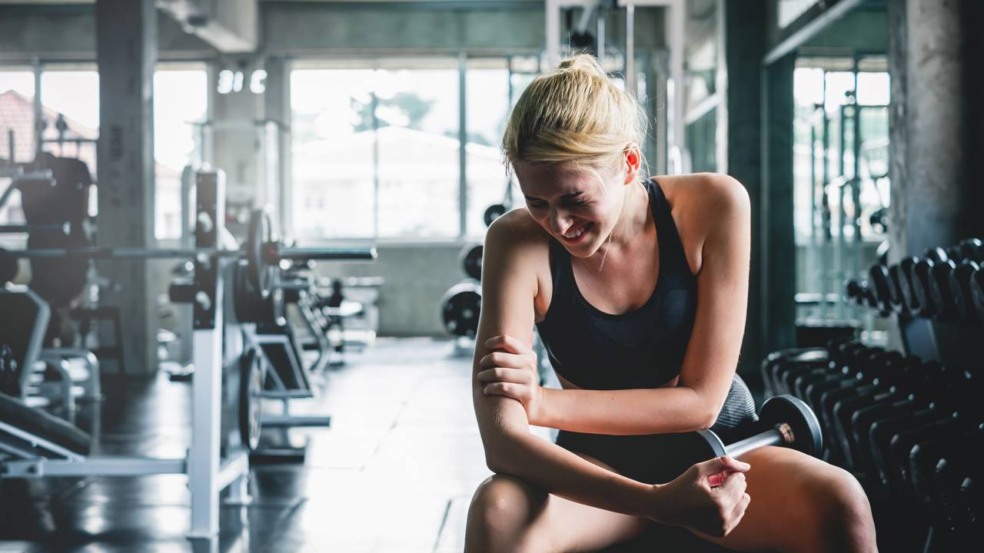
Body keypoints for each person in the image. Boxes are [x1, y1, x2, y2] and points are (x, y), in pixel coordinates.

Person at [465, 54, 878, 553]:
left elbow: (701, 401)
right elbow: (503, 441)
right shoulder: (514, 241)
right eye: (538, 202)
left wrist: (543, 402)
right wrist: (656, 501)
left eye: (575, 199)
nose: (558, 224)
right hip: (603, 466)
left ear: (629, 164)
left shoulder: (714, 205)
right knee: (497, 511)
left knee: (842, 501)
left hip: (724, 452)